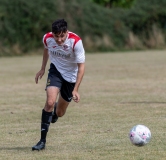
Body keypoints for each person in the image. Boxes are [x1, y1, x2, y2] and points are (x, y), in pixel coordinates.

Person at [32, 19, 85, 151]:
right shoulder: (47, 38)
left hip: (71, 77)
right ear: (53, 34)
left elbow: (81, 67)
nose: (59, 39)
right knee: (49, 102)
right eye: (57, 36)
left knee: (60, 113)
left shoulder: (76, 42)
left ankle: (55, 111)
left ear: (66, 32)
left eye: (62, 36)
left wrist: (76, 89)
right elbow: (46, 50)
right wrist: (43, 68)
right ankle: (42, 141)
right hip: (55, 71)